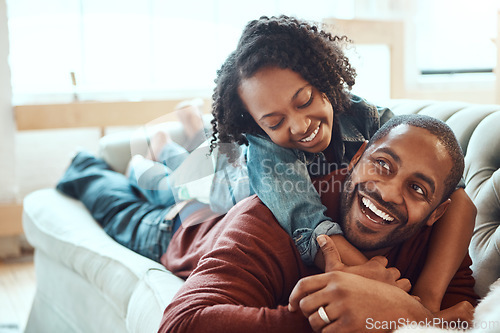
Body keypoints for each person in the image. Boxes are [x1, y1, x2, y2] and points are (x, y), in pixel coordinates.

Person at [56, 114, 477, 332]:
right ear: (356, 158)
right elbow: (181, 325)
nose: (388, 192)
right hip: (179, 231)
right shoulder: (273, 219)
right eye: (382, 165)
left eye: (418, 190)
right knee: (115, 202)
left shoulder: (434, 242)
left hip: (216, 201)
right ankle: (86, 165)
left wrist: (400, 316)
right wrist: (338, 316)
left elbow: (457, 314)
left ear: (437, 212)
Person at [207, 15, 476, 312]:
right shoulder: (265, 152)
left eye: (305, 100)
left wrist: (428, 299)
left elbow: (457, 197)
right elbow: (313, 229)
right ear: (259, 126)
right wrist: (402, 306)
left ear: (323, 81)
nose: (299, 126)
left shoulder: (366, 117)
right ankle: (158, 157)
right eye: (275, 122)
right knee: (163, 205)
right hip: (212, 219)